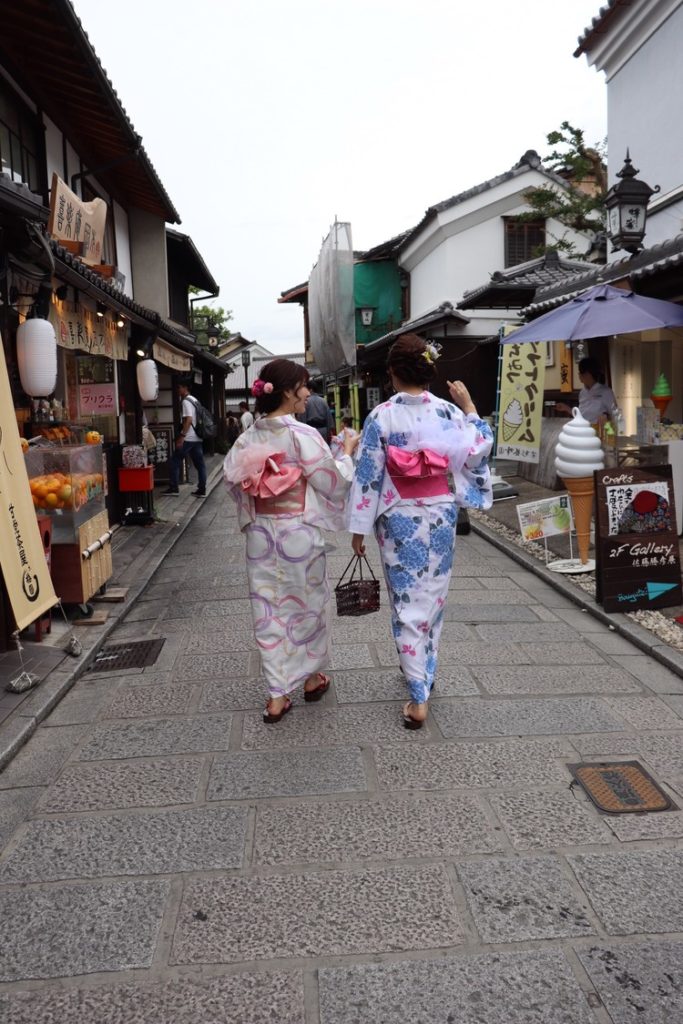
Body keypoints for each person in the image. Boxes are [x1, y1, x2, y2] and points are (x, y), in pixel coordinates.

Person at [348, 333, 493, 730]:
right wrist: (470, 407)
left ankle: (417, 695)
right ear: (428, 370)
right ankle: (423, 670)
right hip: (441, 514)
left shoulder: (382, 416)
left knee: (407, 600)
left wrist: (358, 528)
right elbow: (479, 447)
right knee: (433, 594)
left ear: (392, 372)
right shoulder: (448, 412)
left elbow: (368, 476)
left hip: (398, 516)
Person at [223, 358, 359, 724]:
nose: (308, 393)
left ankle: (276, 696)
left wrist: (256, 506)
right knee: (308, 606)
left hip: (262, 536)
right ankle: (312, 679)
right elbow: (333, 482)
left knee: (268, 610)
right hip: (298, 532)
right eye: (303, 386)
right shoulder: (302, 435)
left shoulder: (248, 436)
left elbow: (233, 481)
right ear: (286, 391)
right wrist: (346, 453)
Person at [164, 380, 207, 497]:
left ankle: (174, 487)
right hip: (197, 437)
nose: (177, 390)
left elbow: (188, 419)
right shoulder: (195, 400)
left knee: (174, 460)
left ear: (185, 388)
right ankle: (202, 490)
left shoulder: (186, 401)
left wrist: (182, 436)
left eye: (179, 387)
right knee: (200, 465)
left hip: (189, 437)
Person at [556, 357, 617, 425]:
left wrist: (607, 417)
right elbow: (581, 416)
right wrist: (566, 408)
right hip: (582, 430)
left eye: (580, 372)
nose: (579, 375)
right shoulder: (582, 392)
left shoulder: (606, 392)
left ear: (588, 374)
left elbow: (615, 415)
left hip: (598, 432)